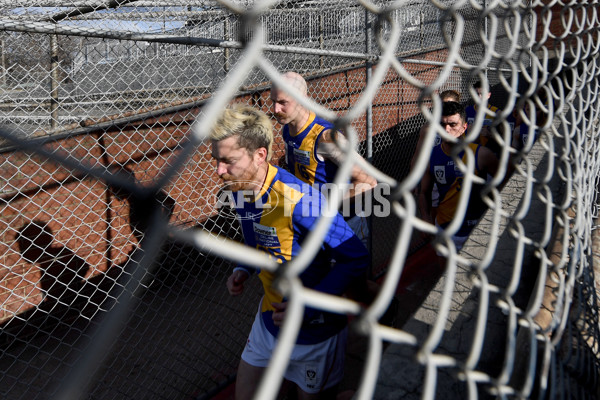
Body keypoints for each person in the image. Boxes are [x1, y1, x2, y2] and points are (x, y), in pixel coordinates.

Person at [211, 104, 369, 399]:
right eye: (216, 160)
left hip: (314, 332)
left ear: (260, 155)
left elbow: (356, 258)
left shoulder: (301, 200)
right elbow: (256, 239)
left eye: (228, 161)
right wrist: (242, 268)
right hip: (269, 320)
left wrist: (306, 306)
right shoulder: (241, 189)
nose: (219, 170)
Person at [270, 71, 377, 245]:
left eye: (283, 102)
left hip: (344, 223)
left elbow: (368, 181)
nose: (275, 109)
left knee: (351, 270)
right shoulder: (287, 130)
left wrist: (322, 204)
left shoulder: (325, 137)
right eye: (273, 101)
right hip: (312, 223)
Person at [418, 101, 501, 251]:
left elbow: (502, 185)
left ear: (464, 127)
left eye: (453, 125)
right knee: (445, 272)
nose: (447, 130)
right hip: (445, 228)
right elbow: (424, 192)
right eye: (442, 125)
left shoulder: (482, 154)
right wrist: (425, 218)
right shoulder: (430, 156)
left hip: (478, 228)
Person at [411, 89, 462, 221]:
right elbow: (417, 155)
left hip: (456, 171)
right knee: (434, 209)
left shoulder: (461, 128)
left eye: (450, 105)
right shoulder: (428, 128)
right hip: (435, 171)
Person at [466, 80, 516, 155]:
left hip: (491, 153)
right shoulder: (467, 111)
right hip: (471, 153)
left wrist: (490, 135)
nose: (479, 97)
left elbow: (506, 139)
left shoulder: (496, 113)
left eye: (482, 94)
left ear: (489, 95)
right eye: (477, 94)